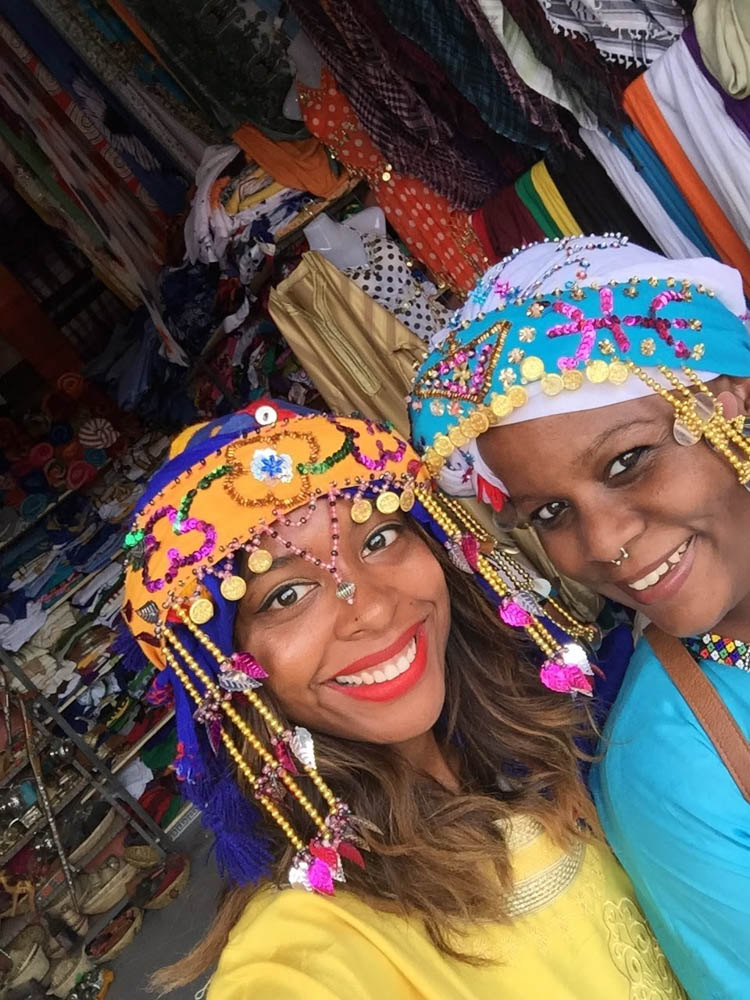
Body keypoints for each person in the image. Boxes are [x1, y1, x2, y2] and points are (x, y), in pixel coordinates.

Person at [119, 399, 684, 999]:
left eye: (381, 537)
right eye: (286, 596)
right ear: (228, 672)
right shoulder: (310, 941)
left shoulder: (553, 735)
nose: (372, 608)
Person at [409, 234, 750, 1000]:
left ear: (729, 397)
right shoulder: (671, 768)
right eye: (552, 513)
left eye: (627, 461)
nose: (603, 543)